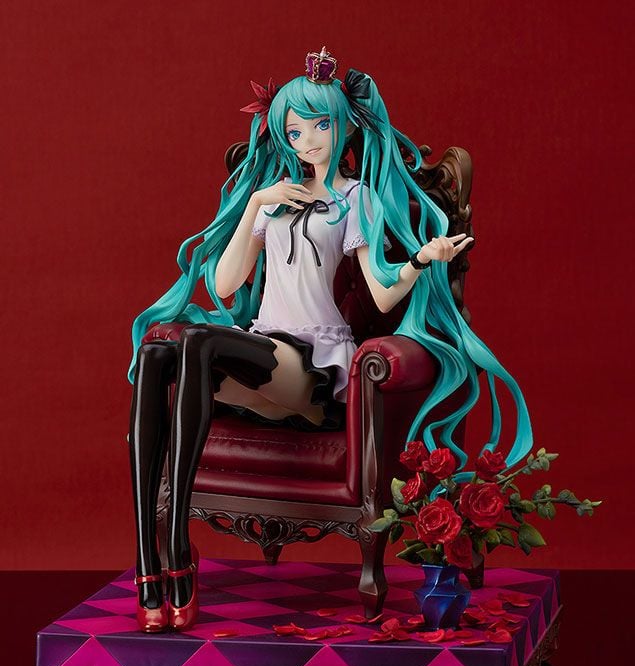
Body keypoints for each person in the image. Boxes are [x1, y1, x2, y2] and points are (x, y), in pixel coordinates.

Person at [127, 47, 532, 634]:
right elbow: (226, 284)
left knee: (196, 344)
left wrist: (423, 259)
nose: (308, 141)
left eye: (319, 126)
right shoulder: (273, 198)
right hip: (262, 349)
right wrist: (256, 204)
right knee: (156, 352)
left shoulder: (355, 198)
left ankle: (177, 556)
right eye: (295, 131)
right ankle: (153, 562)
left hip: (311, 364)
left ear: (341, 125)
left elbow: (382, 295)